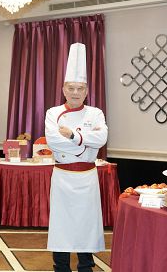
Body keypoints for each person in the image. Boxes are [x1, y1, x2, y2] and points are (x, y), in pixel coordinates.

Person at [45, 42, 108, 272]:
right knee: (62, 223)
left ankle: (86, 265)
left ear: (86, 91)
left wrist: (73, 135)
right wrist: (85, 142)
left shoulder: (95, 113)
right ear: (63, 89)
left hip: (87, 177)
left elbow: (101, 139)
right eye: (71, 88)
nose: (75, 93)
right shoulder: (53, 113)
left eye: (80, 88)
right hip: (62, 176)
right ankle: (61, 266)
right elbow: (53, 141)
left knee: (87, 223)